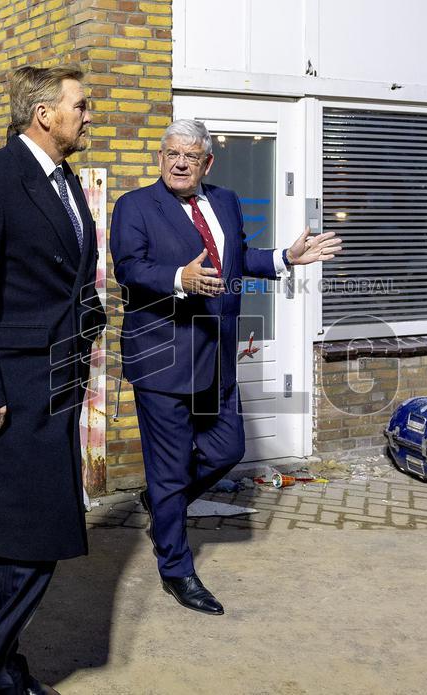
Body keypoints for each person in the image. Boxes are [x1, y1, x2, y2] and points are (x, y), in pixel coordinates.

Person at [110, 119, 341, 615]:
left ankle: (162, 502)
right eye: (171, 154)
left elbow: (239, 259)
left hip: (216, 356)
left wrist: (285, 257)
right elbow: (129, 268)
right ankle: (176, 569)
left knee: (227, 449)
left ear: (207, 162)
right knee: (170, 471)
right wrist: (180, 277)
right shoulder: (135, 206)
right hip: (163, 360)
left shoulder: (226, 201)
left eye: (190, 156)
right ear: (160, 158)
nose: (179, 164)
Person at [0, 64, 105, 695]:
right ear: (44, 113)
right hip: (10, 394)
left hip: (55, 385)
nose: (88, 115)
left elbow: (66, 277)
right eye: (80, 106)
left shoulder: (65, 181)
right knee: (30, 540)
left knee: (25, 541)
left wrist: (90, 317)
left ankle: (2, 668)